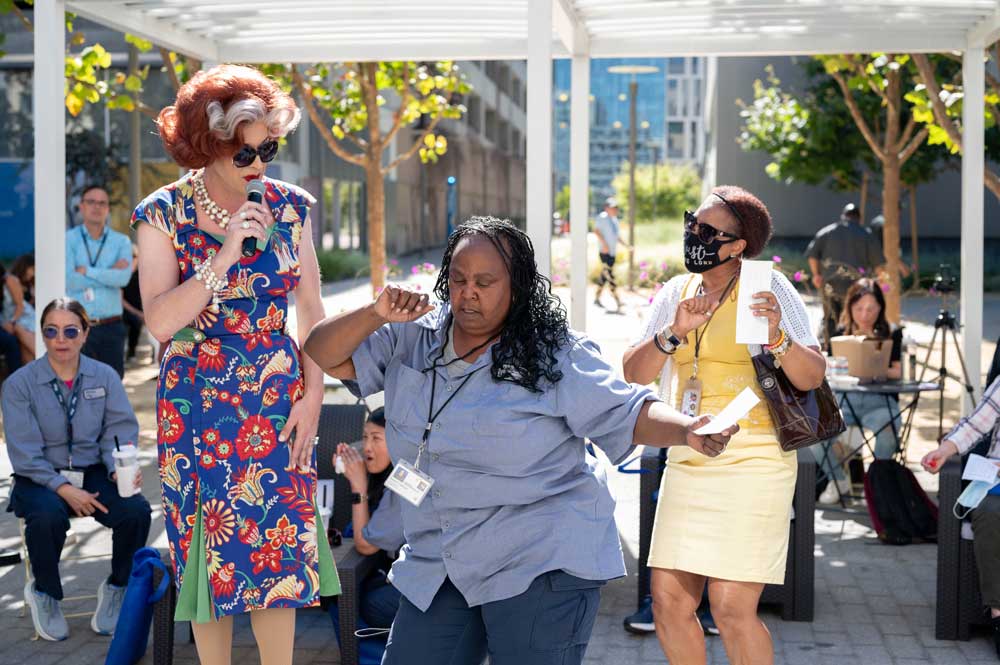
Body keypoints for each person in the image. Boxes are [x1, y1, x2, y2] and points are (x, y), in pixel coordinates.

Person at [303, 215, 737, 665]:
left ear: (518, 287)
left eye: (485, 282)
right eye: (458, 278)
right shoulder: (414, 334)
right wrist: (375, 313)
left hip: (539, 555)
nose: (468, 291)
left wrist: (687, 429)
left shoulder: (555, 353)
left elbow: (627, 411)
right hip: (442, 557)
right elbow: (322, 351)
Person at [131, 63, 338, 665]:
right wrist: (223, 256)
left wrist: (313, 395)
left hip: (277, 396)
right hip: (198, 401)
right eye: (243, 154)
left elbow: (312, 313)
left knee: (275, 543)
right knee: (205, 548)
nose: (259, 166)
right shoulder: (162, 213)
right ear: (208, 146)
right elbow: (163, 322)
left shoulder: (293, 208)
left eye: (267, 149)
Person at [623, 186, 826, 665]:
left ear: (738, 245)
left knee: (732, 607)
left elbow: (812, 375)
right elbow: (634, 373)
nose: (694, 234)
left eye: (707, 231)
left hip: (756, 458)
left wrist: (777, 336)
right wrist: (674, 332)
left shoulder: (768, 288)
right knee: (669, 603)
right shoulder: (677, 290)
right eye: (693, 223)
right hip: (691, 451)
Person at [2, 297, 151, 641]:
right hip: (38, 477)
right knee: (47, 516)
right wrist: (63, 488)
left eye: (71, 331)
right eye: (51, 331)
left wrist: (119, 468)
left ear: (85, 334)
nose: (61, 339)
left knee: (136, 511)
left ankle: (117, 587)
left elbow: (118, 431)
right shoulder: (19, 384)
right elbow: (24, 453)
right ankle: (46, 593)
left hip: (93, 471)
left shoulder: (105, 377)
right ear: (43, 335)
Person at [921, 373, 1000, 658]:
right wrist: (945, 449)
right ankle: (998, 612)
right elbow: (975, 424)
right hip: (997, 480)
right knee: (990, 513)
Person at [811, 278, 903, 504]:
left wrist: (874, 365)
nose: (865, 314)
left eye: (871, 308)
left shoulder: (891, 332)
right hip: (844, 398)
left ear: (880, 308)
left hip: (879, 401)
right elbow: (829, 368)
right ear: (850, 307)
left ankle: (877, 485)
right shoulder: (839, 331)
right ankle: (838, 479)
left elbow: (897, 371)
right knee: (814, 432)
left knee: (888, 432)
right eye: (859, 308)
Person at [335, 407, 404, 629]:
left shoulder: (405, 480)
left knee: (369, 603)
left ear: (397, 440)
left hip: (436, 589)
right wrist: (346, 455)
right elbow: (358, 450)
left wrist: (358, 486)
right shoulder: (395, 464)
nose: (367, 447)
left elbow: (365, 545)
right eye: (365, 437)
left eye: (376, 438)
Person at [67, 184, 133, 377]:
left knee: (112, 388)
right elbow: (71, 281)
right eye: (91, 202)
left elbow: (123, 278)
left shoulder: (121, 242)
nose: (97, 207)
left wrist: (87, 271)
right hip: (77, 327)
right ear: (81, 206)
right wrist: (108, 273)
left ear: (108, 209)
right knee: (77, 386)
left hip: (111, 327)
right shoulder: (68, 240)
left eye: (102, 203)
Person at [806, 203, 883, 348]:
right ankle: (849, 349)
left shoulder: (828, 231)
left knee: (830, 317)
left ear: (843, 216)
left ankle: (829, 349)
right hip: (855, 287)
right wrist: (880, 283)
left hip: (830, 284)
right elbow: (878, 265)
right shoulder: (866, 234)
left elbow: (812, 255)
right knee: (853, 318)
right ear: (859, 218)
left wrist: (816, 274)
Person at [593, 196, 630, 312]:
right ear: (606, 208)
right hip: (605, 252)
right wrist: (604, 244)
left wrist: (627, 246)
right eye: (613, 208)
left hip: (612, 253)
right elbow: (597, 231)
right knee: (610, 275)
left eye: (616, 208)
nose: (615, 210)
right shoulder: (602, 217)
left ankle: (597, 297)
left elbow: (616, 236)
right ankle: (617, 300)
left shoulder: (614, 220)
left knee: (604, 276)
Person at [1, 258, 36, 362]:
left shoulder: (9, 279)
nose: (34, 272)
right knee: (25, 350)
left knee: (34, 350)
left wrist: (12, 322)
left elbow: (20, 305)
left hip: (22, 317)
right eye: (32, 268)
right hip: (10, 320)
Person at [121, 244, 146, 363]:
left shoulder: (143, 274)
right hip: (125, 310)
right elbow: (120, 299)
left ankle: (131, 353)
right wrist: (137, 313)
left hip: (141, 310)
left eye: (134, 256)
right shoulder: (121, 275)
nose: (131, 259)